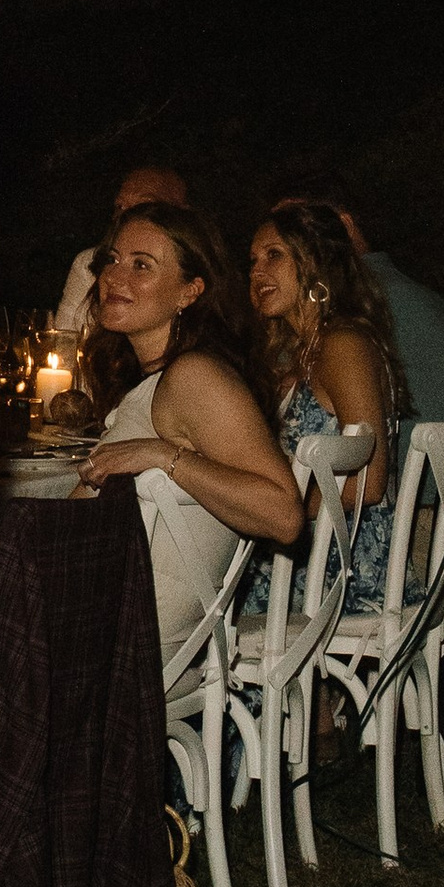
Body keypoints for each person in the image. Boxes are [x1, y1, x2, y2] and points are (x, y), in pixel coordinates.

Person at [75, 201, 302, 658]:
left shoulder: (195, 376)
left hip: (124, 643)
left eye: (142, 265)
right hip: (110, 619)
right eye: (112, 260)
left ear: (189, 292)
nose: (115, 277)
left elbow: (284, 514)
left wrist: (165, 457)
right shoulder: (162, 378)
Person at [246, 197, 410, 610]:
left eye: (274, 255)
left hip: (344, 566)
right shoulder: (299, 357)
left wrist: (279, 508)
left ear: (315, 262)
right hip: (308, 555)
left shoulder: (344, 345)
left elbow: (371, 482)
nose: (257, 272)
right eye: (252, 261)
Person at [266, 162, 444, 428]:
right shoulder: (405, 290)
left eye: (296, 233)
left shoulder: (355, 303)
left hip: (415, 466)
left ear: (343, 227)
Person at [54, 159, 191, 337]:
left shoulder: (196, 360)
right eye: (120, 206)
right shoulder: (90, 263)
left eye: (141, 265)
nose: (124, 217)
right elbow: (65, 344)